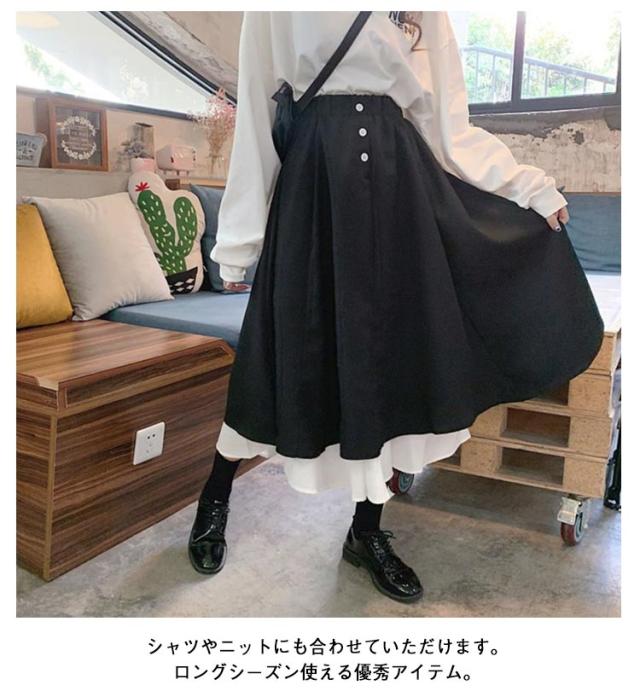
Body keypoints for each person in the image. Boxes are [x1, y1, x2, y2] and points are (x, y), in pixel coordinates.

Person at [187, 11, 604, 603]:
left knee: (389, 363)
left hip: (400, 186)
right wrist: (237, 245)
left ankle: (366, 533)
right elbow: (257, 112)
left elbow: (447, 125)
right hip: (315, 186)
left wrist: (527, 187)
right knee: (273, 353)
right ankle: (215, 497)